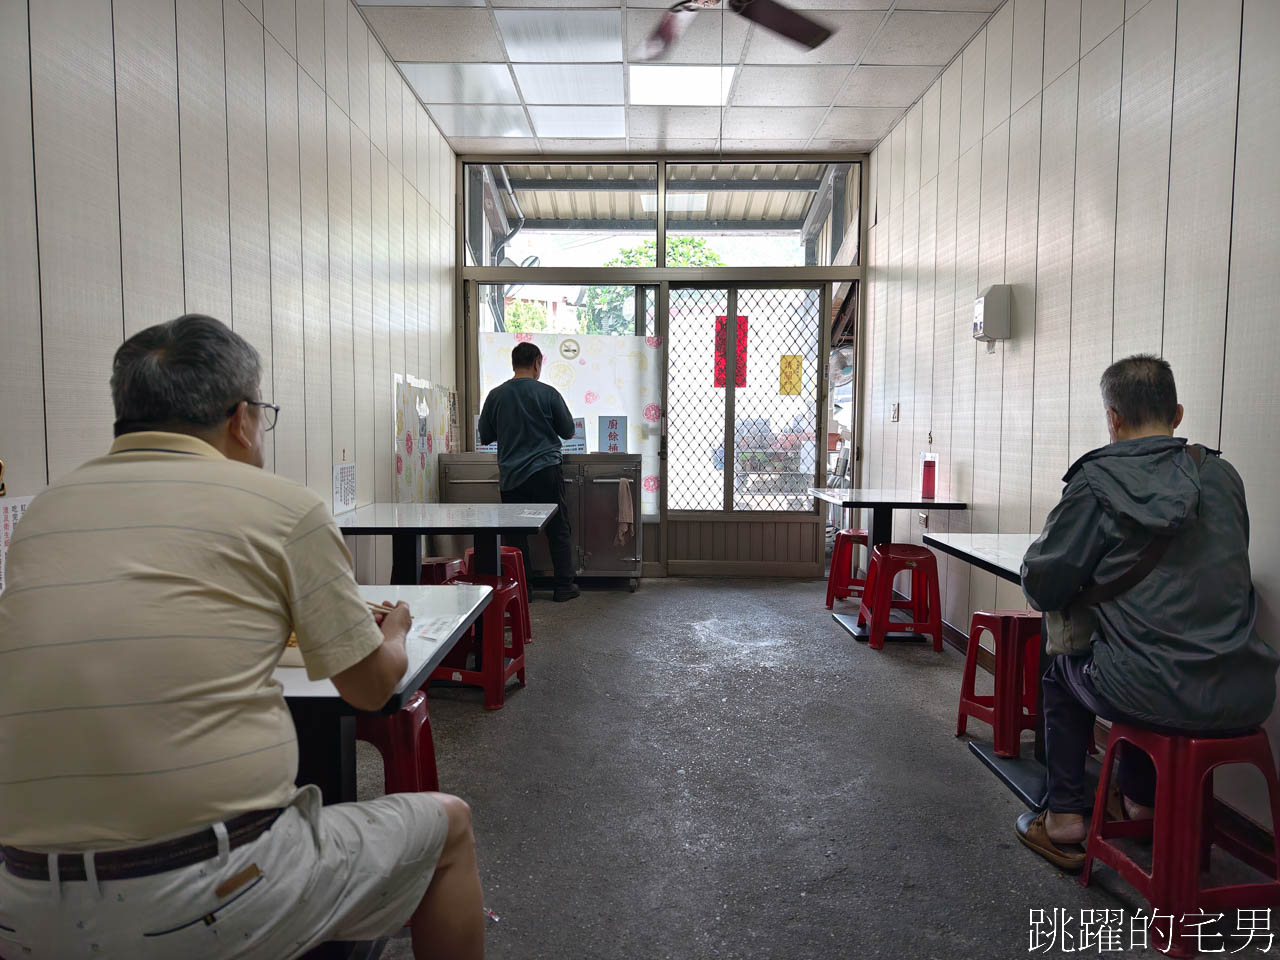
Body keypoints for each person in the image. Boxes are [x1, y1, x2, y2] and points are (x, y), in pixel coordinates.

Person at [0, 315, 484, 959]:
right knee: (449, 827)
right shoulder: (283, 508)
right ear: (240, 416)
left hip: (23, 898)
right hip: (208, 892)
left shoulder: (47, 515)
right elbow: (369, 690)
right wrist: (395, 631)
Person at [1015, 354, 1279, 871]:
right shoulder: (1223, 477)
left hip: (1145, 689)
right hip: (1245, 689)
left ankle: (1066, 816)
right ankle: (1139, 800)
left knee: (1064, 670)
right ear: (1177, 414)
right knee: (1139, 651)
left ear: (1112, 419)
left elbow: (1043, 585)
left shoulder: (1096, 482)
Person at [477, 342, 579, 602]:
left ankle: (523, 590)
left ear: (513, 364)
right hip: (546, 471)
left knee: (517, 534)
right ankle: (564, 587)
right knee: (558, 528)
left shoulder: (496, 396)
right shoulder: (548, 393)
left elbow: (486, 436)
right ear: (537, 364)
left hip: (512, 476)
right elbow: (568, 431)